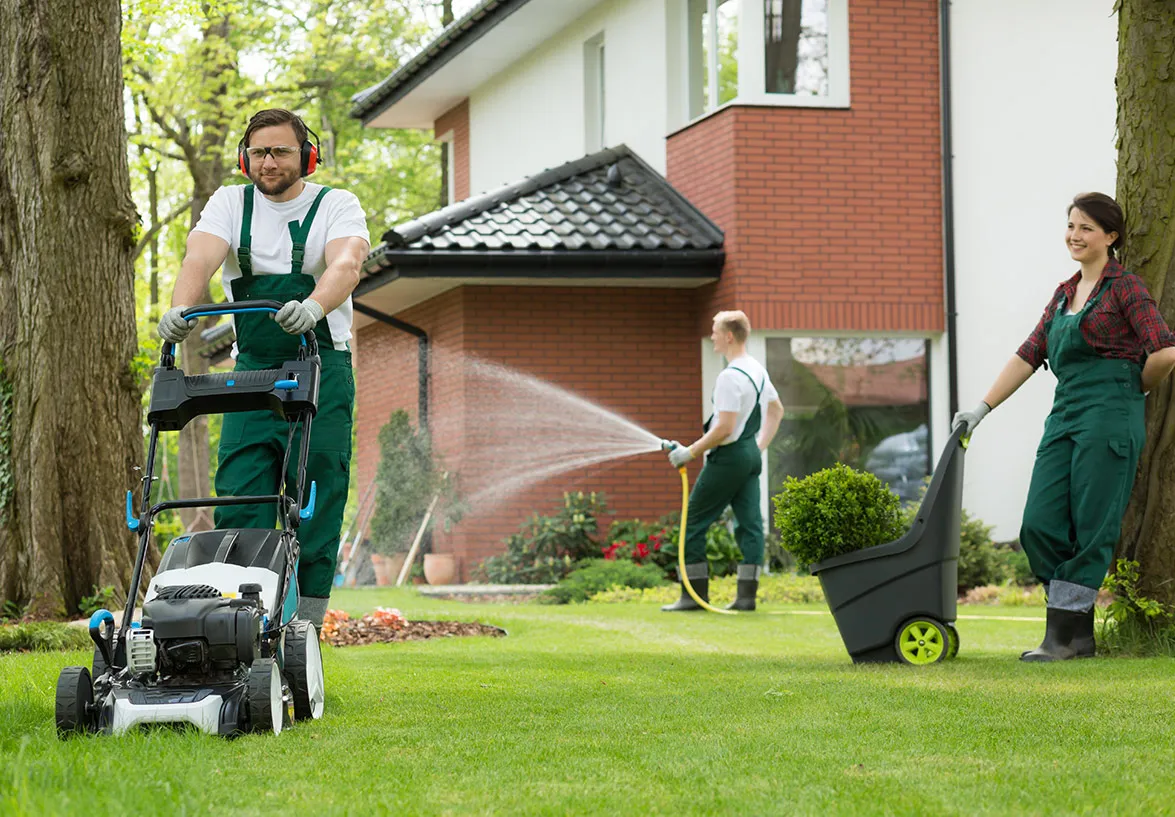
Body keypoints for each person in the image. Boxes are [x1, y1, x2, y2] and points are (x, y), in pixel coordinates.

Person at [157, 108, 370, 629]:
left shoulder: (336, 205)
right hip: (251, 372)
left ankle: (306, 632)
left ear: (307, 157)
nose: (268, 161)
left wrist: (316, 306)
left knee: (315, 499)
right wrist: (182, 308)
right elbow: (199, 257)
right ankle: (237, 623)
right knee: (240, 494)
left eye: (279, 151)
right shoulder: (231, 202)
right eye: (258, 152)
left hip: (324, 368)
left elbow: (347, 263)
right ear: (243, 158)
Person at [953, 192, 1175, 661]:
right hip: (1066, 412)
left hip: (1110, 413)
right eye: (1071, 225)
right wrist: (981, 408)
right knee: (1039, 523)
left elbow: (1164, 350)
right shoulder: (1062, 293)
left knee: (1094, 523)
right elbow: (1030, 352)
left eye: (1087, 228)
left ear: (1111, 237)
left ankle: (1066, 638)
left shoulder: (1125, 288)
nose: (1075, 235)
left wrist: (1135, 388)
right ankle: (1074, 629)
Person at [662, 310, 785, 611]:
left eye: (715, 330)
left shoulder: (730, 377)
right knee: (751, 525)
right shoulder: (756, 369)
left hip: (729, 457)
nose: (713, 335)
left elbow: (724, 428)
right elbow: (776, 410)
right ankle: (746, 598)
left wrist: (688, 452)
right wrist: (757, 448)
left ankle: (693, 596)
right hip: (748, 455)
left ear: (729, 335)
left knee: (693, 522)